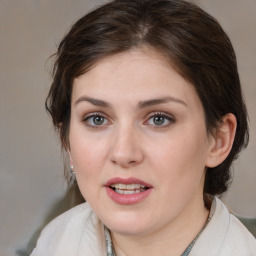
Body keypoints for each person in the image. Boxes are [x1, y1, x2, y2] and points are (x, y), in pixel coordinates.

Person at [31, 0, 256, 255]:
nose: (123, 153)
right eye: (97, 119)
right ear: (67, 141)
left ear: (218, 139)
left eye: (159, 119)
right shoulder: (52, 243)